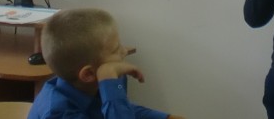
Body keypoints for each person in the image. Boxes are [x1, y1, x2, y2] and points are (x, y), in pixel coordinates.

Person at [28, 8, 185, 119]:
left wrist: (165, 117)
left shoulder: (91, 84)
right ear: (88, 74)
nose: (124, 51)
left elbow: (119, 106)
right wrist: (109, 80)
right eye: (116, 50)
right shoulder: (58, 113)